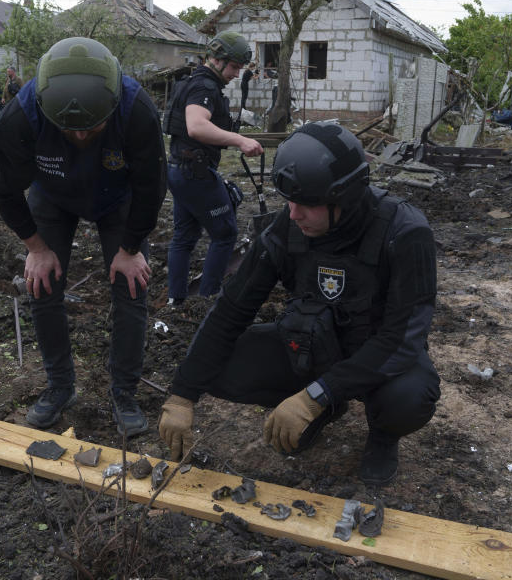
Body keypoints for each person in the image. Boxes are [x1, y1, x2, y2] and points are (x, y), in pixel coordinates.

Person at [158, 124, 441, 485]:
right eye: (289, 201)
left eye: (306, 204)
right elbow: (232, 309)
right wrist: (183, 395)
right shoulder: (288, 227)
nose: (293, 214)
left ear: (344, 197)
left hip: (378, 356)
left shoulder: (404, 233)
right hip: (313, 344)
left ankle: (382, 435)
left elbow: (401, 341)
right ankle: (327, 407)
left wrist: (314, 395)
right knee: (218, 366)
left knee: (410, 397)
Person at [0, 37, 167, 436]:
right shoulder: (18, 118)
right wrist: (35, 247)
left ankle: (124, 392)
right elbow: (2, 189)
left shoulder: (138, 111)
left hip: (118, 198)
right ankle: (60, 387)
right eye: (70, 130)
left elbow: (153, 187)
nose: (82, 137)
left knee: (132, 286)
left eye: (93, 127)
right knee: (42, 284)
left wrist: (131, 248)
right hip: (52, 196)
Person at [164, 31, 264, 305]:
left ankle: (177, 300)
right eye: (233, 67)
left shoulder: (191, 82)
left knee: (185, 236)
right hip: (194, 172)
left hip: (178, 169)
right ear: (216, 60)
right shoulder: (204, 88)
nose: (235, 73)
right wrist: (241, 140)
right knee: (225, 233)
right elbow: (197, 126)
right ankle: (208, 299)